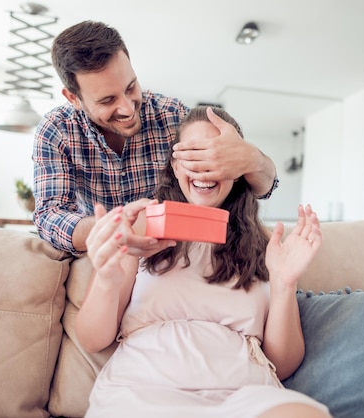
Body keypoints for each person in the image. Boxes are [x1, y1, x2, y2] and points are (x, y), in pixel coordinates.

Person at [76, 106, 331, 418]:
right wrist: (106, 278)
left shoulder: (266, 245)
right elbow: (91, 339)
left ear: (239, 167)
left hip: (242, 395)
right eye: (192, 154)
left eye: (216, 156)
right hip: (144, 390)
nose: (203, 168)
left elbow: (283, 363)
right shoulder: (142, 226)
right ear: (174, 162)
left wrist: (284, 284)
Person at [32, 20, 278, 256]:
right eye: (107, 100)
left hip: (170, 253)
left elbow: (257, 190)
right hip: (103, 252)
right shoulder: (57, 129)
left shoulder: (173, 115)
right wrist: (116, 228)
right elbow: (49, 216)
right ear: (73, 98)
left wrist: (254, 160)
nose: (128, 109)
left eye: (130, 87)